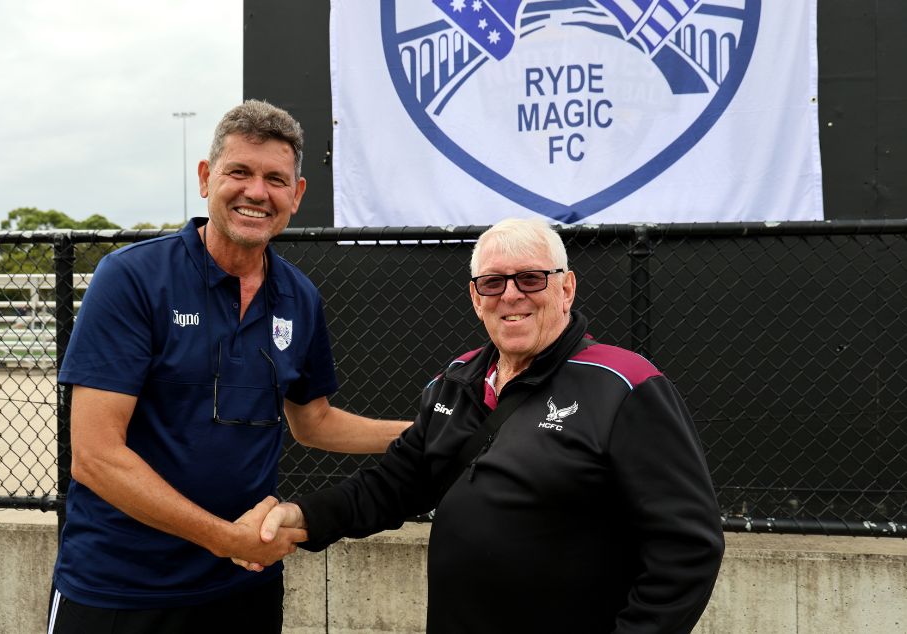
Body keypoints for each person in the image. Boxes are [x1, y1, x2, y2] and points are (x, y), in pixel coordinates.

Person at [246, 218, 725, 633]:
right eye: (493, 282)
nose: (511, 294)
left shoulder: (625, 384)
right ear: (476, 298)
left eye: (532, 279)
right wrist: (303, 517)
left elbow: (688, 547)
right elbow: (392, 485)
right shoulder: (455, 381)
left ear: (567, 288)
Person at [47, 100, 409, 634]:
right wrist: (223, 536)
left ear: (296, 195)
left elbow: (313, 422)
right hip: (120, 588)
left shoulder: (298, 296)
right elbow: (96, 457)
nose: (256, 192)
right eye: (238, 171)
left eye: (275, 178)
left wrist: (422, 433)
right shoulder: (132, 278)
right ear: (205, 178)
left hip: (244, 587)